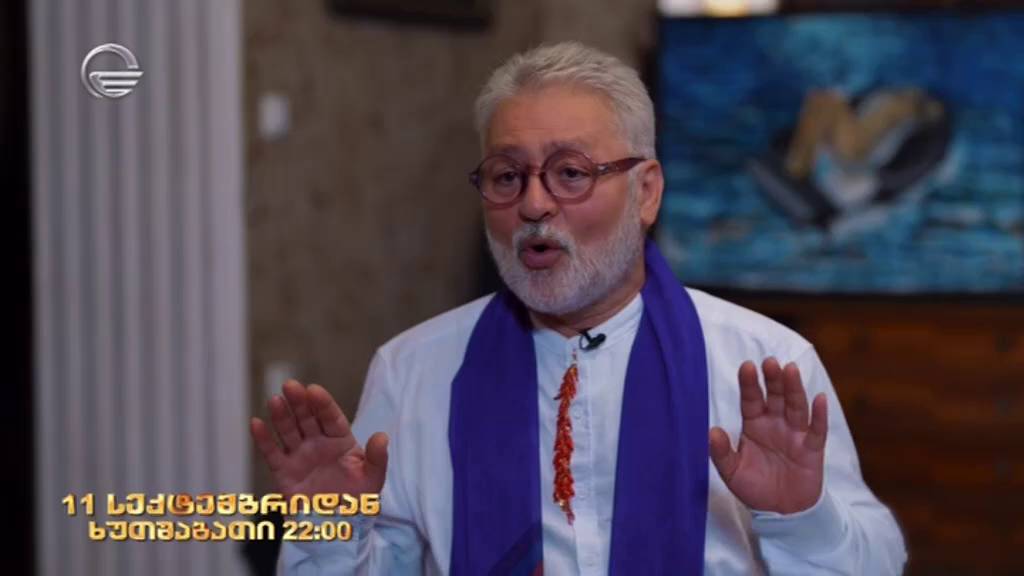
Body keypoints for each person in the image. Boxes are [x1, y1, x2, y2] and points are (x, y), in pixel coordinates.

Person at [250, 42, 907, 575]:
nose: (534, 204)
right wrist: (327, 529)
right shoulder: (412, 370)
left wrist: (800, 517)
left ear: (646, 192)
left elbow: (877, 563)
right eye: (508, 176)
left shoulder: (762, 364)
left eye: (570, 173)